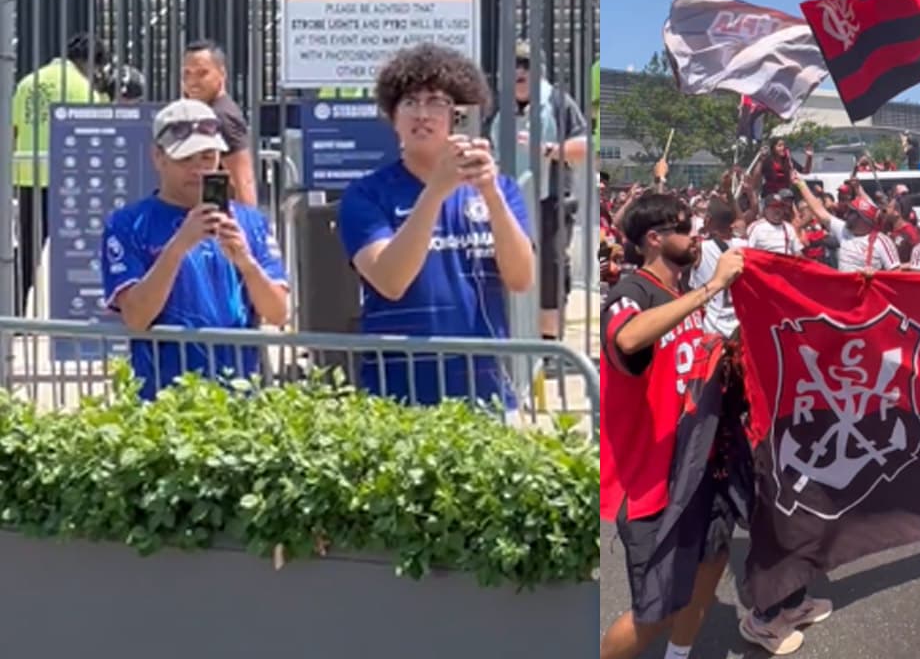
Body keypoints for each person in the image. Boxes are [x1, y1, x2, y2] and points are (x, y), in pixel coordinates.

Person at [338, 44, 535, 406]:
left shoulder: (501, 189)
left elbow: (522, 278)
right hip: (397, 392)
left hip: (484, 392)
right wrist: (435, 193)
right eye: (410, 102)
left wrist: (491, 196)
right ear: (393, 116)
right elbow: (389, 280)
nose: (422, 114)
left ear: (461, 113)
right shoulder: (366, 194)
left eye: (436, 102)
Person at [599, 192, 744, 659]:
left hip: (696, 467)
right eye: (684, 228)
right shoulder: (633, 292)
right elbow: (628, 337)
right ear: (655, 239)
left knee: (710, 565)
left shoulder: (681, 296)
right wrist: (711, 289)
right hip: (651, 481)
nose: (695, 235)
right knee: (654, 610)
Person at [100, 99, 289, 399]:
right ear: (158, 157)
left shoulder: (250, 222)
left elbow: (279, 313)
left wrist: (246, 263)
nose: (199, 168)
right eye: (185, 158)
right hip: (164, 401)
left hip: (240, 399)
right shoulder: (127, 224)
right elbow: (136, 318)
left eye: (208, 155)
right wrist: (178, 247)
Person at [488, 39, 589, 344]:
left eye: (525, 66)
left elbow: (584, 145)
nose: (519, 72)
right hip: (507, 201)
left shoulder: (558, 103)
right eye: (514, 67)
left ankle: (548, 344)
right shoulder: (499, 106)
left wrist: (547, 149)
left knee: (550, 272)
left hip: (551, 202)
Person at [11, 32, 111, 316]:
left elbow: (14, 131)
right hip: (72, 181)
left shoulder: (27, 82)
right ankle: (80, 316)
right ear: (93, 63)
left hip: (28, 176)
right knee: (81, 254)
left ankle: (15, 313)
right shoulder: (85, 89)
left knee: (27, 254)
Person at [181, 39, 256, 206]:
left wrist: (247, 227)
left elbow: (243, 181)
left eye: (202, 73)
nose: (193, 81)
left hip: (225, 221)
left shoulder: (222, 116)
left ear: (222, 74)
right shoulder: (208, 113)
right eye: (187, 73)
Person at [796, 179, 900, 272]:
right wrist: (801, 184)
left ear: (864, 219)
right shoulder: (843, 230)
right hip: (845, 291)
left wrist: (875, 275)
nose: (847, 214)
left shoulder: (882, 242)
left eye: (852, 212)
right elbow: (819, 210)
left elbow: (896, 273)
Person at [689, 197, 746, 339]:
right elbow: (742, 223)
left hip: (711, 330)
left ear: (708, 220)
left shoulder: (700, 249)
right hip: (739, 327)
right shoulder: (746, 246)